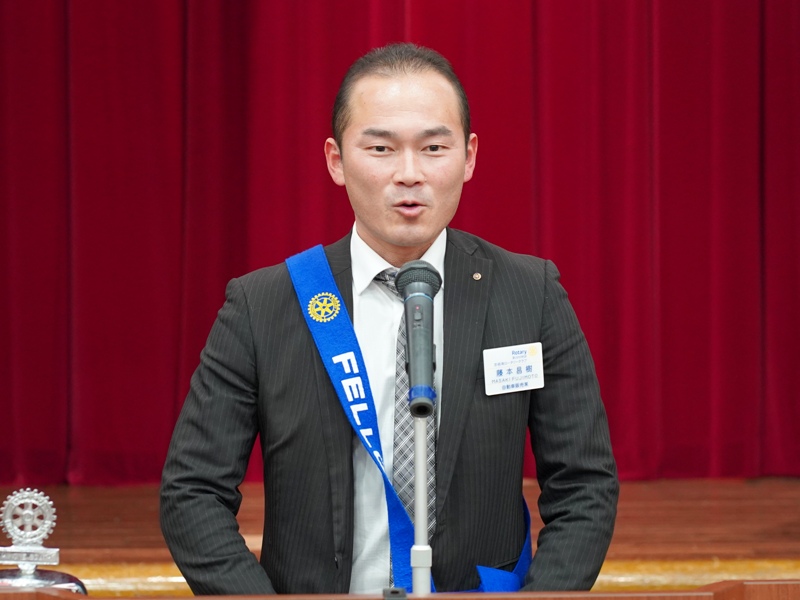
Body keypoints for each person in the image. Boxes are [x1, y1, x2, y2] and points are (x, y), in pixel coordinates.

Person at [160, 43, 618, 595]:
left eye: (433, 148)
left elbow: (584, 484)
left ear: (469, 156)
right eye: (380, 148)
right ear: (336, 160)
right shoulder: (264, 305)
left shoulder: (530, 293)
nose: (409, 174)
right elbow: (192, 493)